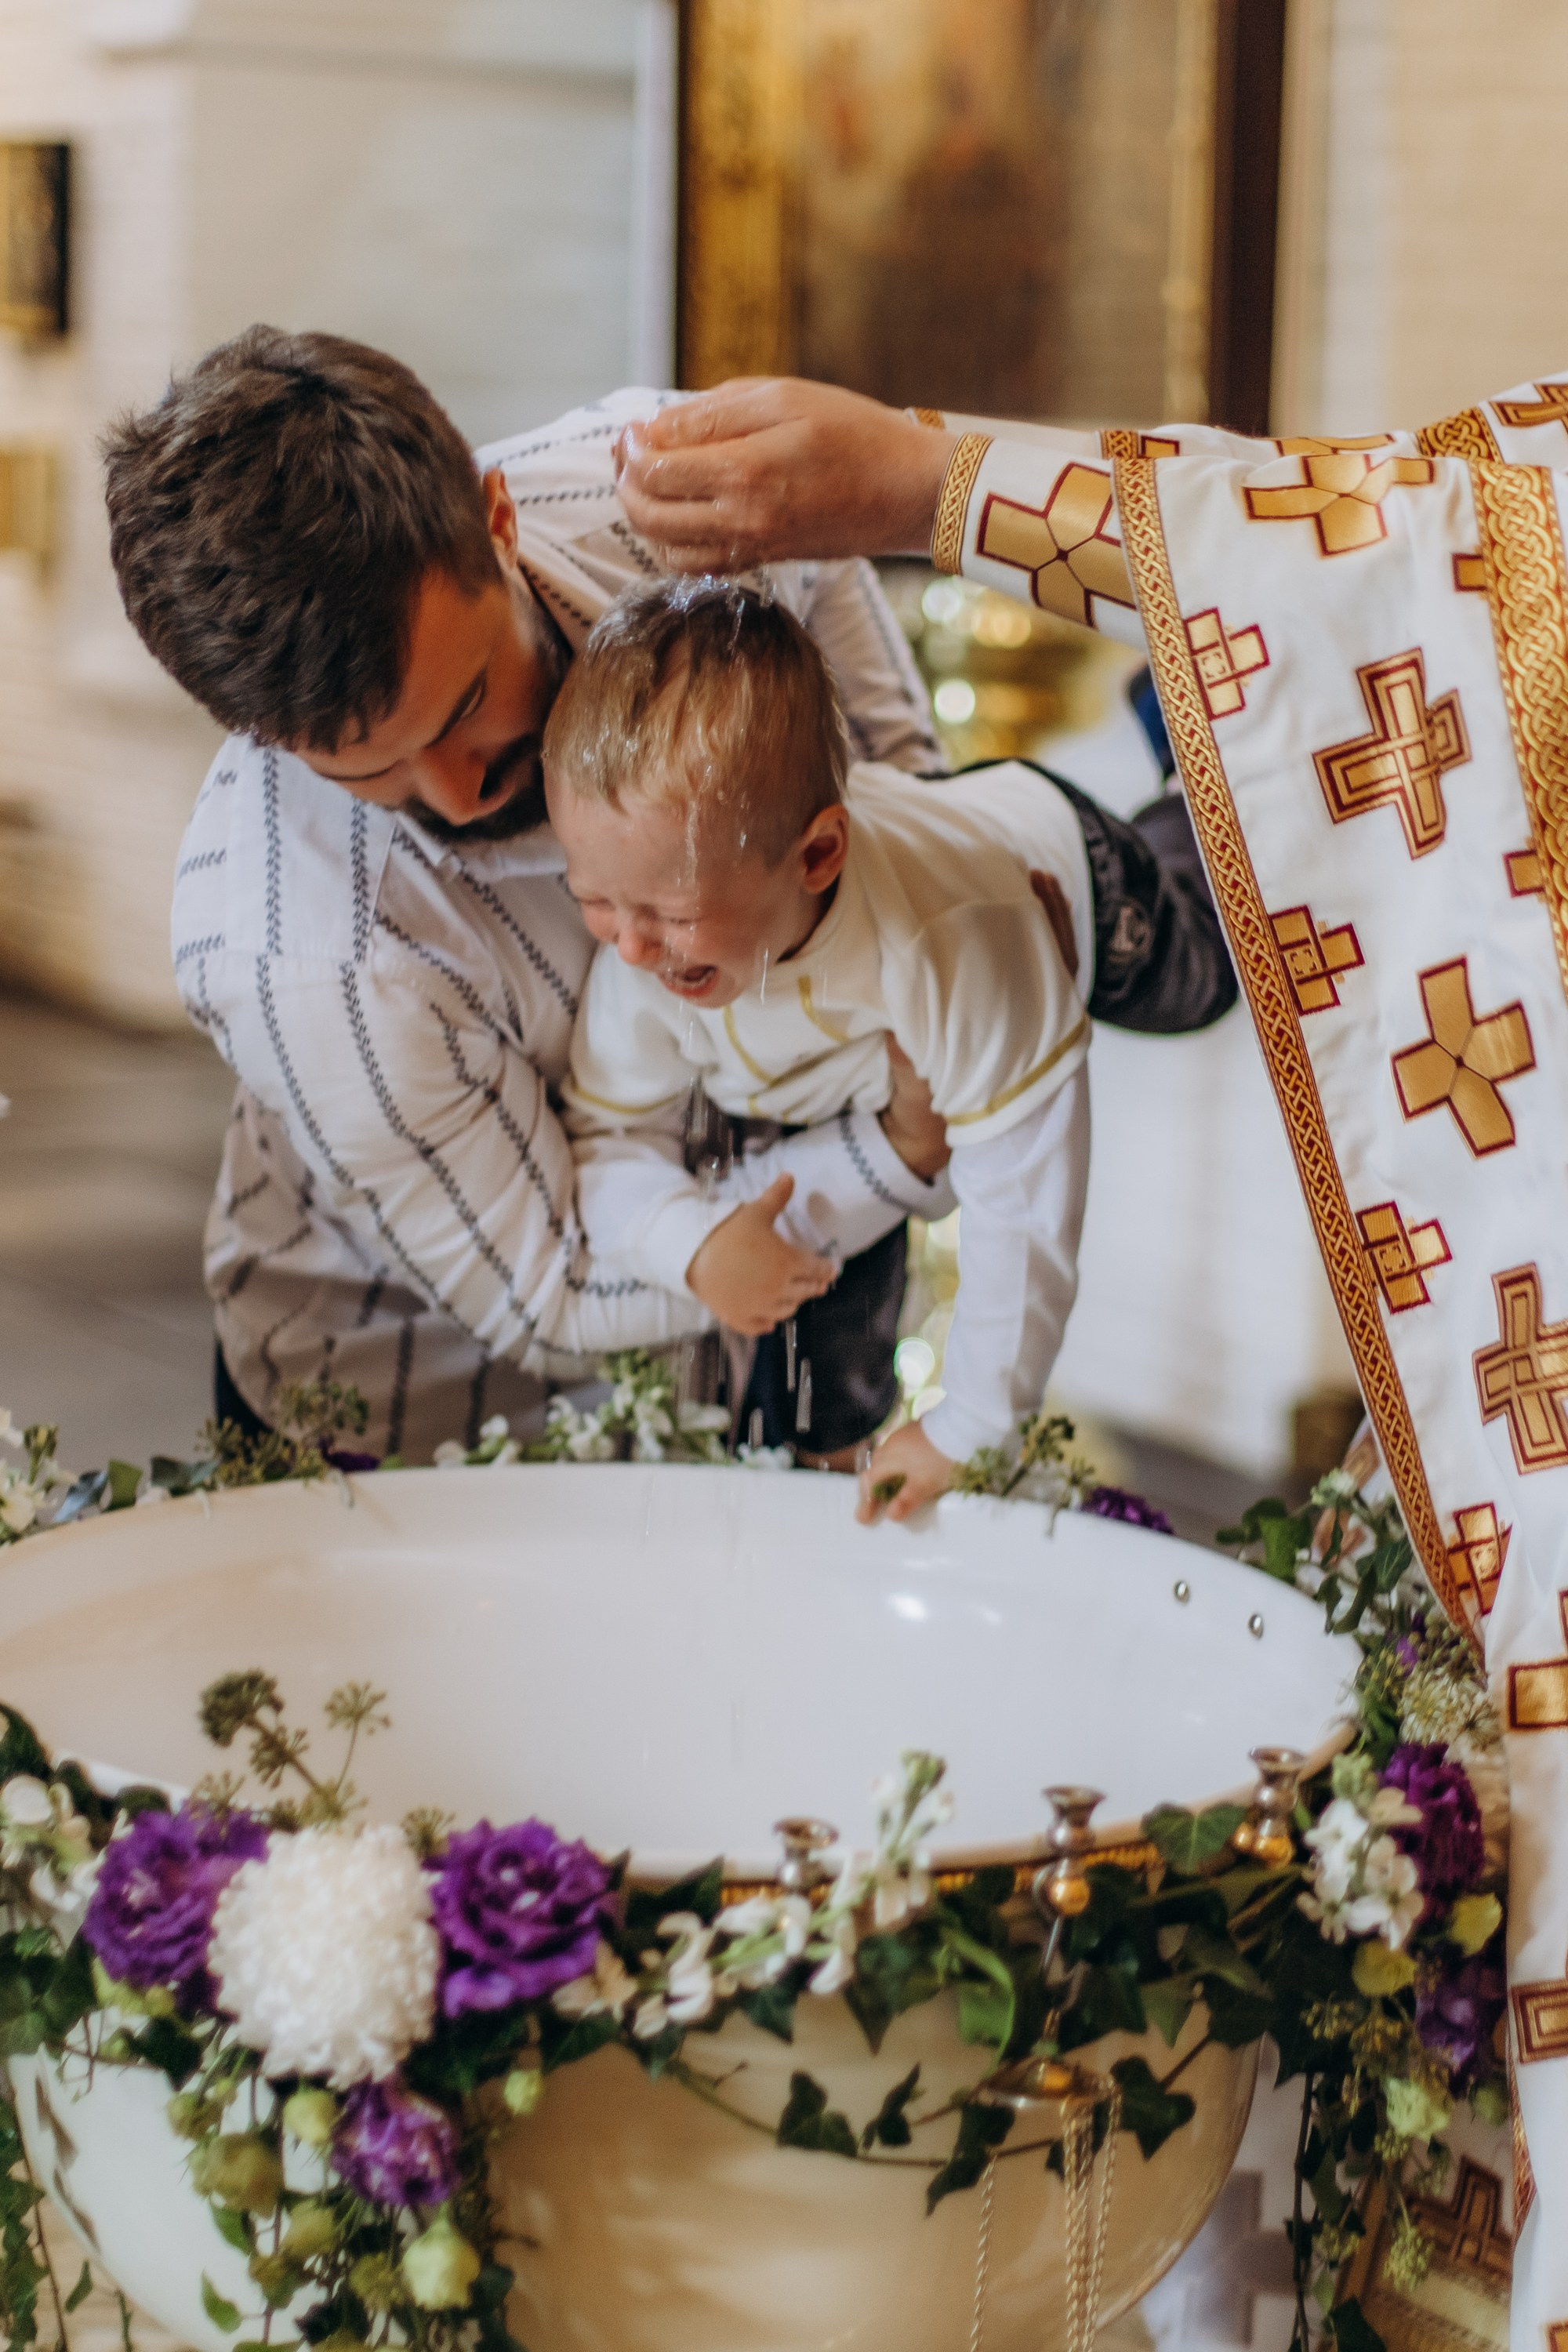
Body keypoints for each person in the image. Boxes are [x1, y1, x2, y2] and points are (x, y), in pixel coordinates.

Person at [103, 330, 957, 1460]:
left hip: (733, 1365)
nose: (455, 795)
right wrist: (896, 1153)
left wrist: (912, 829)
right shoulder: (298, 952)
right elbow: (556, 1289)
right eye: (371, 770)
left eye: (463, 705)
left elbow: (827, 572)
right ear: (259, 735)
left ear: (497, 519)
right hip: (414, 1421)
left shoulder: (678, 502)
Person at [546, 579, 1105, 1519]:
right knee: (840, 1344)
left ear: (814, 858)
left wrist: (970, 1424)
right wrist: (691, 1243)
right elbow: (603, 1144)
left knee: (1206, 958)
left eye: (671, 916)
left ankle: (1183, 762)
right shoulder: (640, 960)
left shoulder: (947, 938)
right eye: (593, 900)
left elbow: (1023, 1193)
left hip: (1066, 867)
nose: (630, 948)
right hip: (842, 1086)